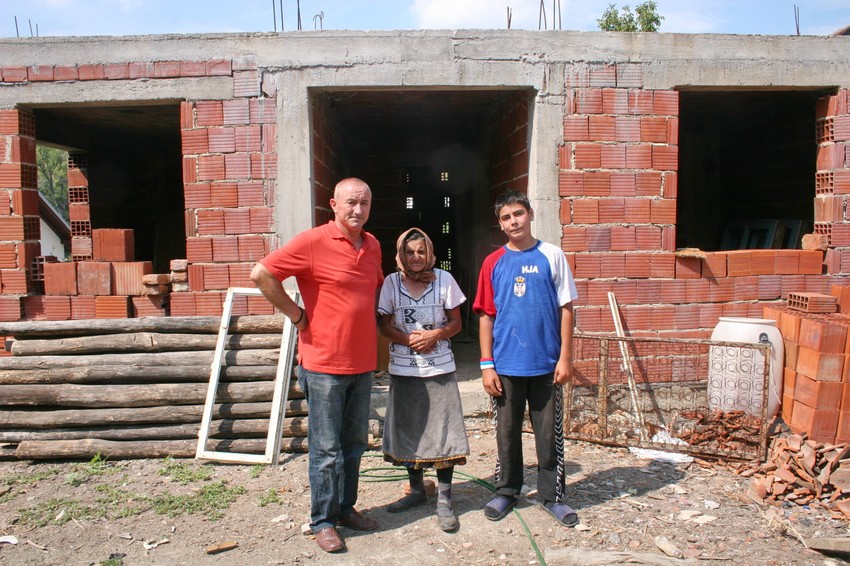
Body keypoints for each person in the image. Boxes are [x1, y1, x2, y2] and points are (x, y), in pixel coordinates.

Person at [250, 177, 383, 553]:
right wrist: (296, 314)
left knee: (354, 445)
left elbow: (374, 293)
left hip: (361, 364)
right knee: (326, 450)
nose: (358, 210)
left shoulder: (372, 245)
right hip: (324, 364)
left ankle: (345, 508)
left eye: (365, 203)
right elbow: (261, 273)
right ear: (334, 205)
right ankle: (322, 521)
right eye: (351, 203)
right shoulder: (312, 242)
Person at [472, 189, 580, 527]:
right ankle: (507, 491)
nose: (512, 221)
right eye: (505, 217)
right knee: (507, 432)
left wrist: (565, 357)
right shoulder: (493, 263)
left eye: (517, 213)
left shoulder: (552, 255)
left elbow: (566, 308)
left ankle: (552, 496)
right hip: (505, 365)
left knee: (549, 434)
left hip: (546, 364)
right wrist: (486, 364)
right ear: (500, 224)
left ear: (530, 214)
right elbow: (486, 316)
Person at [377, 228, 470, 533]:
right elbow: (383, 325)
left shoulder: (444, 279)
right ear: (400, 254)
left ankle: (444, 499)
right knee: (410, 431)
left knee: (444, 433)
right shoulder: (391, 283)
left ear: (430, 253)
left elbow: (457, 322)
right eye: (409, 251)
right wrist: (408, 340)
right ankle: (416, 490)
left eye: (421, 251)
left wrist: (436, 335)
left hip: (440, 369)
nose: (415, 257)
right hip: (405, 370)